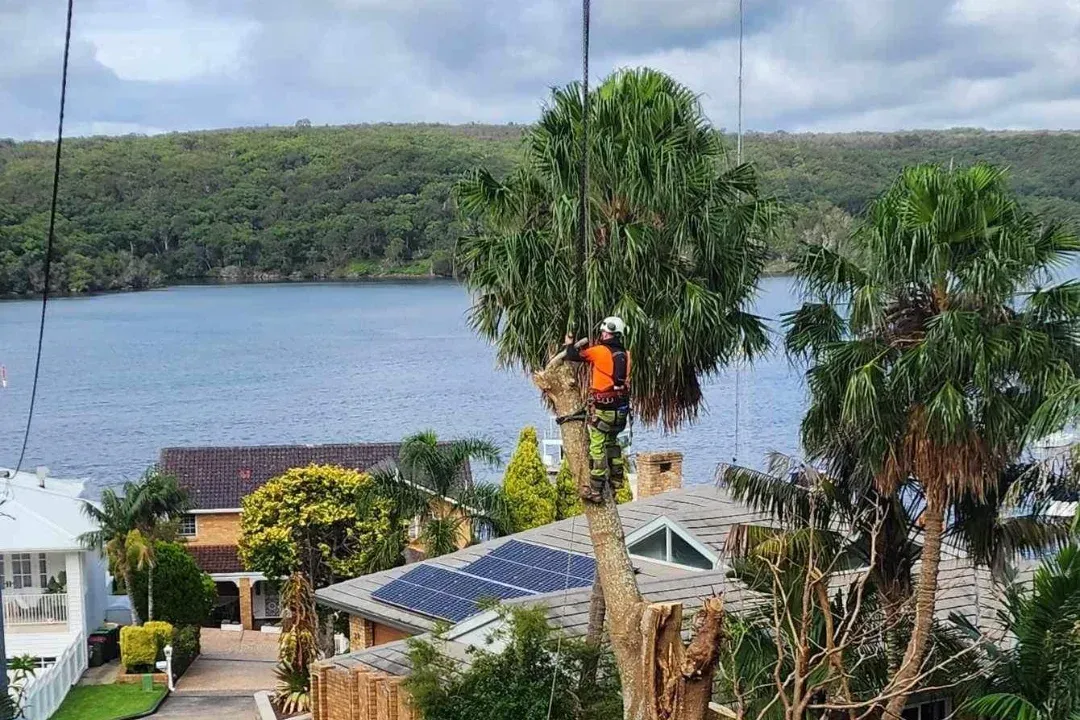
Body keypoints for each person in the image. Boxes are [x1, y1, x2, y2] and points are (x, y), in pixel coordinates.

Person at [562, 316, 631, 502]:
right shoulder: (626, 354)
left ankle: (596, 490)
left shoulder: (599, 351)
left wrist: (569, 343)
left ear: (609, 332)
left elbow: (574, 356)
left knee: (597, 446)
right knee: (612, 443)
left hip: (604, 410)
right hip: (621, 412)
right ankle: (617, 481)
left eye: (603, 332)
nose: (601, 334)